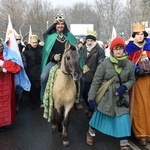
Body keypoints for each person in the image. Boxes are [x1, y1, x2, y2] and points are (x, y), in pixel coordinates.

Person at [86, 38, 135, 150]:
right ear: (112, 50)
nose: (118, 51)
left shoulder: (130, 65)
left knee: (123, 118)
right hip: (106, 96)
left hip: (121, 98)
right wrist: (91, 98)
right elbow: (96, 81)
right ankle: (90, 132)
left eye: (120, 48)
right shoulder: (104, 64)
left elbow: (132, 80)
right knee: (98, 117)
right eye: (116, 49)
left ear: (124, 49)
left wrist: (125, 87)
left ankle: (124, 143)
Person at [41, 14, 80, 107]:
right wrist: (53, 56)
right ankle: (43, 99)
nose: (60, 26)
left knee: (80, 79)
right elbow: (47, 51)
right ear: (55, 25)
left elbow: (75, 50)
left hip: (68, 63)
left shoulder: (70, 36)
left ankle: (78, 99)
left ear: (64, 25)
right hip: (54, 63)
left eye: (62, 24)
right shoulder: (50, 37)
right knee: (43, 77)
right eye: (58, 24)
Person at [126, 23, 150, 146]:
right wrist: (135, 70)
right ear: (134, 36)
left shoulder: (149, 46)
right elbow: (126, 65)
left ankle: (148, 132)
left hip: (149, 80)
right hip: (138, 82)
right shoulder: (130, 48)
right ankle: (141, 134)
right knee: (140, 107)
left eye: (142, 34)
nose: (140, 36)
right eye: (138, 34)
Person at [0, 39, 30, 130]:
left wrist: (4, 64)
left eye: (1, 46)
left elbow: (17, 68)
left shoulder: (10, 54)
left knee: (5, 105)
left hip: (6, 84)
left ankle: (3, 124)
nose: (0, 48)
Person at [82, 30, 105, 118]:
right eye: (88, 40)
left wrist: (97, 75)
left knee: (92, 94)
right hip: (83, 74)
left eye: (91, 41)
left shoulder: (100, 50)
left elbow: (101, 64)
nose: (89, 42)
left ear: (94, 41)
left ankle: (91, 110)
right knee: (84, 93)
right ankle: (90, 107)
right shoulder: (83, 48)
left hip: (94, 75)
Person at [23, 35, 43, 110]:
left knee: (39, 87)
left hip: (40, 70)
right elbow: (25, 62)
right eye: (33, 42)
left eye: (36, 42)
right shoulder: (26, 51)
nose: (35, 44)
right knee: (33, 88)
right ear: (30, 42)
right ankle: (33, 102)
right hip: (31, 71)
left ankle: (38, 100)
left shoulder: (41, 49)